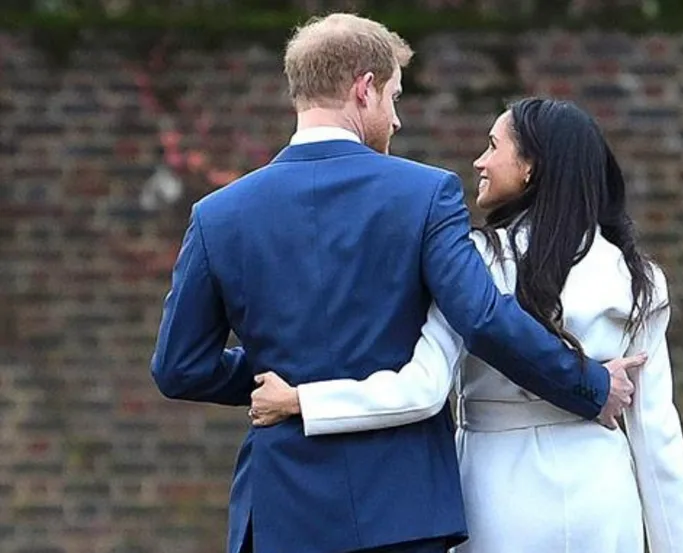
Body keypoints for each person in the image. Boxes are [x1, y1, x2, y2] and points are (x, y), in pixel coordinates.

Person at [149, 13, 645, 553]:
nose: (397, 119)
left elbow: (179, 368)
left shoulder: (218, 215)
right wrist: (590, 386)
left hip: (281, 512)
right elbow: (480, 318)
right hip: (404, 512)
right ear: (364, 89)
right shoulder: (424, 194)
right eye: (394, 97)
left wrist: (286, 372)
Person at [251, 98, 683, 553]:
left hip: (499, 494)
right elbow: (657, 437)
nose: (479, 161)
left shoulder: (477, 263)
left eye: (492, 146)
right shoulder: (637, 277)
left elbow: (422, 389)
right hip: (604, 498)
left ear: (532, 166)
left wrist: (303, 400)